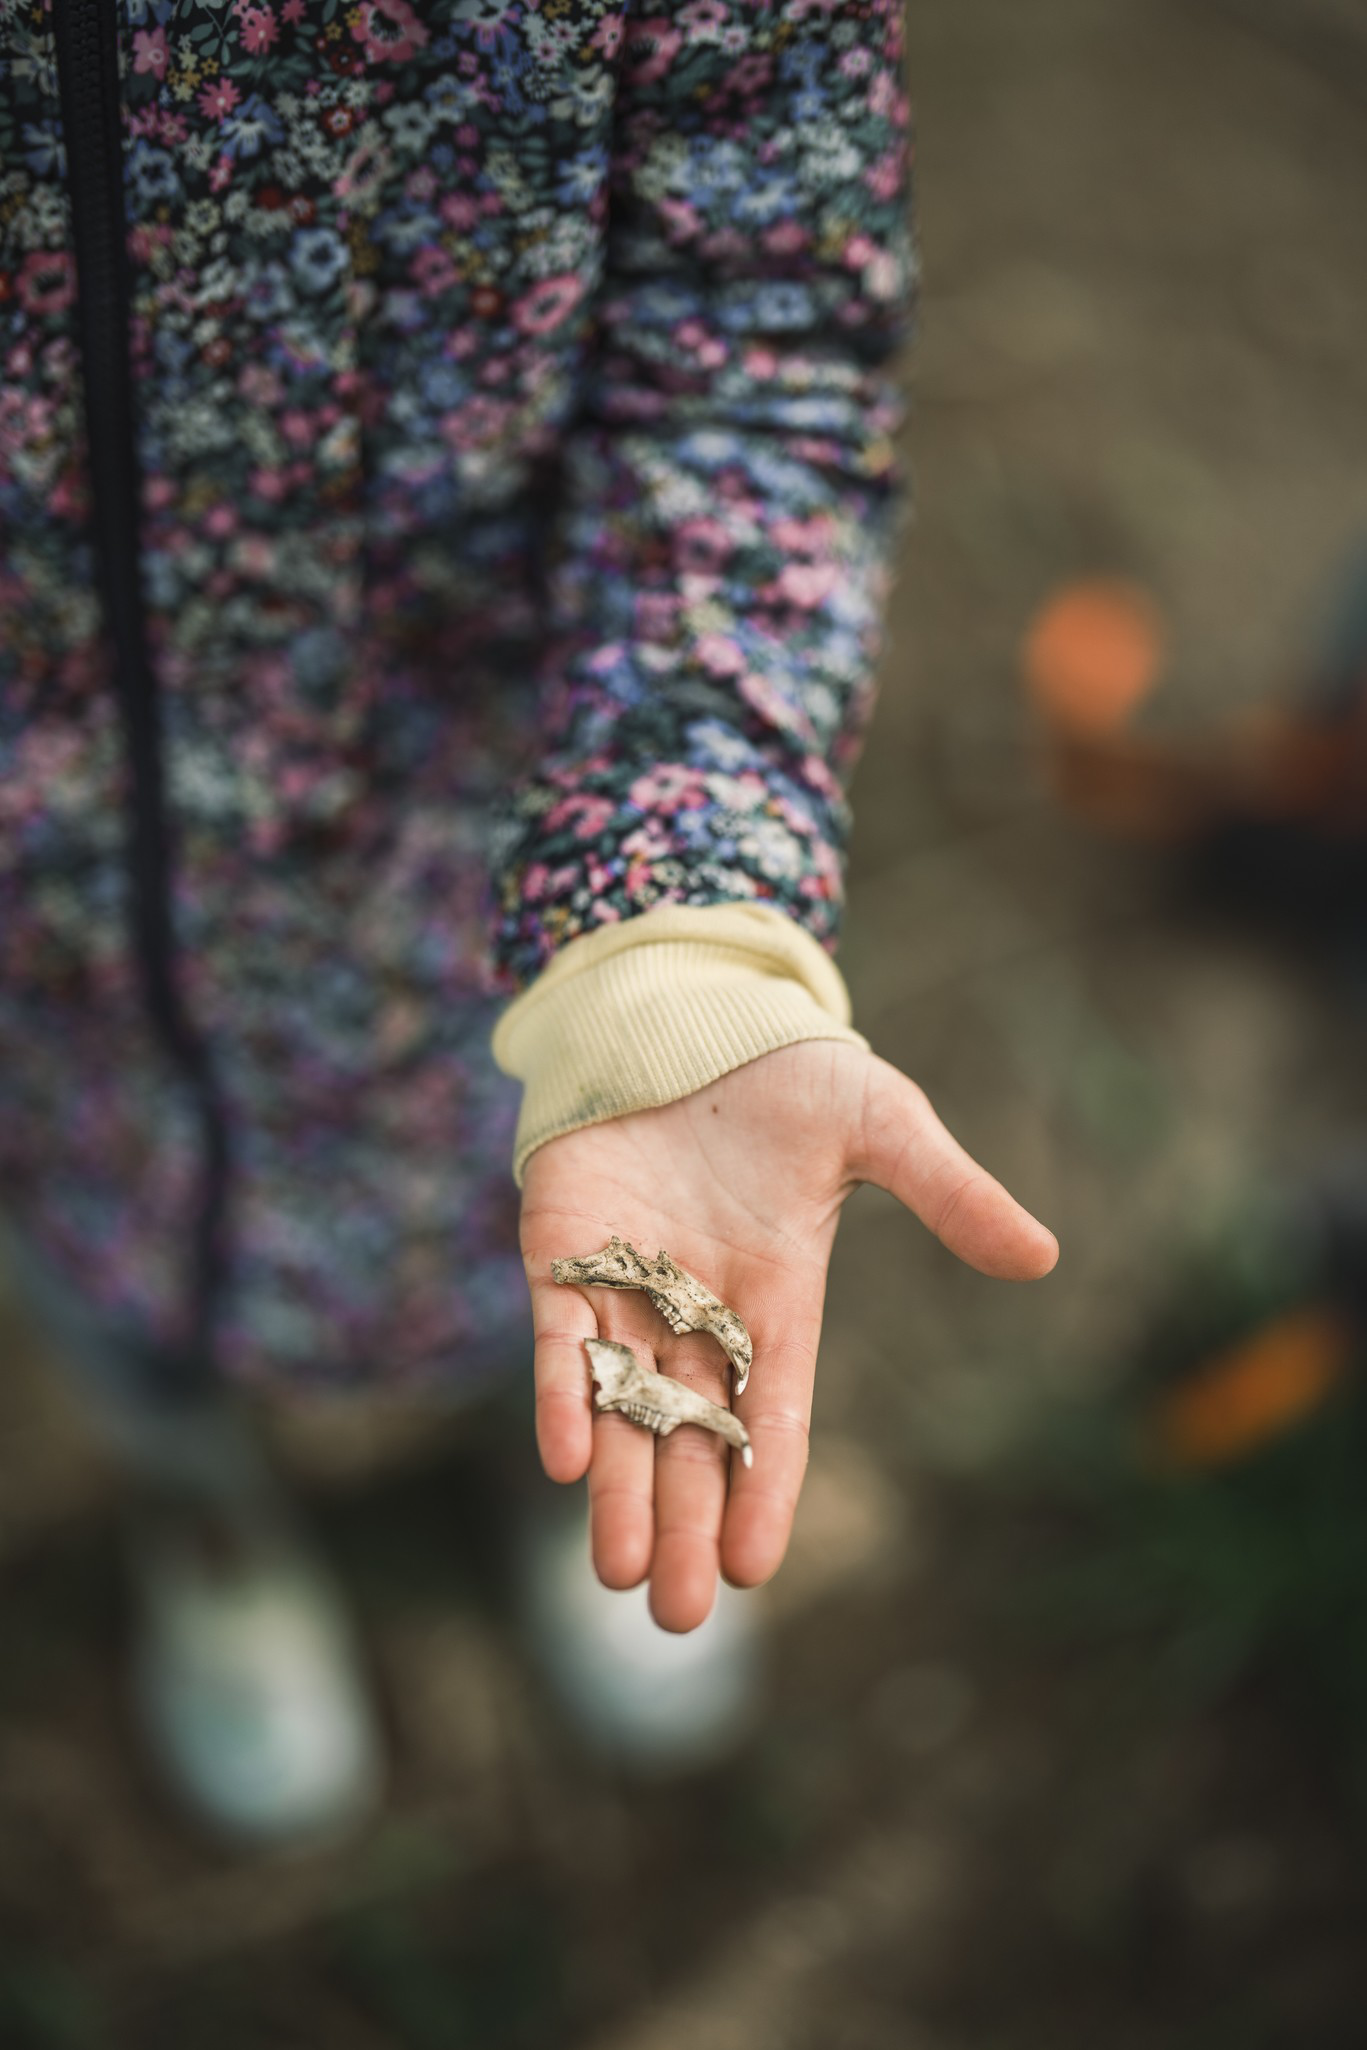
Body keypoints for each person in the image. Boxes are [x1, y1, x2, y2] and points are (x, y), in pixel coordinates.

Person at [0, 0, 1057, 1842]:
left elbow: (755, 342)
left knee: (551, 1221)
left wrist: (680, 919)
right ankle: (208, 1511)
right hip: (45, 939)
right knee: (102, 1263)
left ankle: (563, 1454)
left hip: (488, 850)